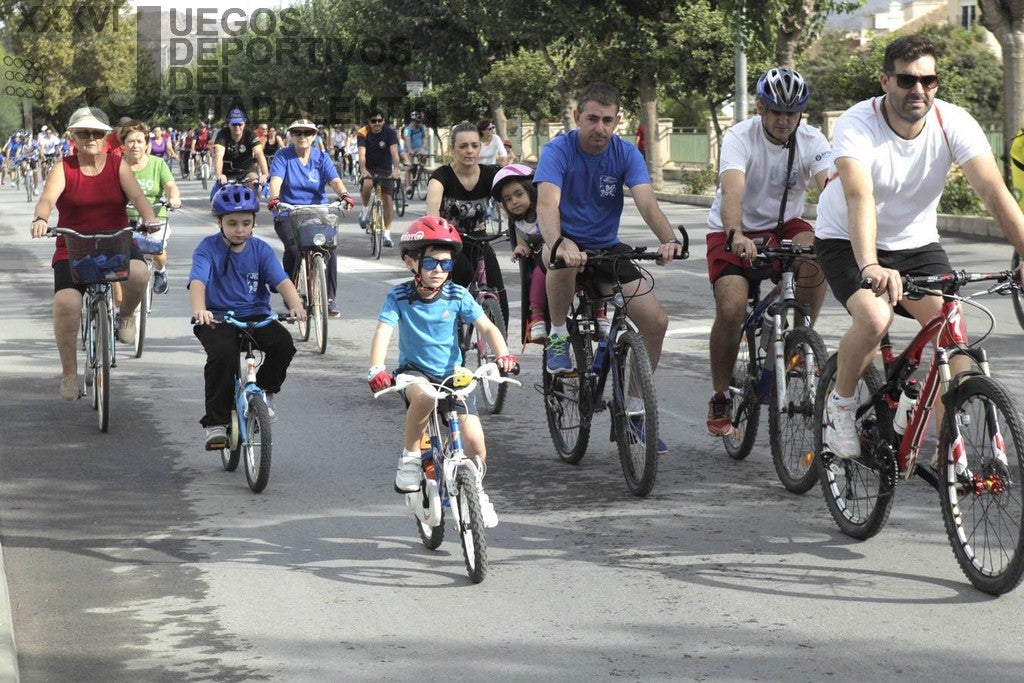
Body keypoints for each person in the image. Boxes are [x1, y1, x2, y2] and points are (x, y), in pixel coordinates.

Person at [814, 34, 1024, 461]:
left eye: (928, 80)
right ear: (885, 80)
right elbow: (859, 196)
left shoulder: (954, 122)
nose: (919, 90)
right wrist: (870, 263)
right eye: (907, 80)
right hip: (847, 238)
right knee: (874, 318)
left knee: (954, 331)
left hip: (916, 242)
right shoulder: (858, 123)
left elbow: (992, 190)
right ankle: (840, 403)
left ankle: (949, 442)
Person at [536, 82, 684, 453]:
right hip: (562, 243)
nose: (599, 128)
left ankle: (633, 412)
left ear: (617, 121)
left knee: (655, 320)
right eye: (592, 119)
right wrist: (559, 242)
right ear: (576, 118)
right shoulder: (558, 150)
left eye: (607, 120)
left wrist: (669, 239)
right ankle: (557, 335)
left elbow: (647, 203)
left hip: (604, 250)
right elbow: (546, 206)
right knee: (562, 262)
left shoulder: (625, 153)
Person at [704, 67, 831, 436]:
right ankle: (720, 393)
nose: (783, 120)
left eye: (791, 113)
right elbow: (732, 191)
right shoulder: (739, 137)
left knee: (817, 252)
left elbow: (830, 186)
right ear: (760, 107)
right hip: (734, 228)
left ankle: (799, 336)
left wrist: (847, 229)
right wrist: (736, 233)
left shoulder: (812, 139)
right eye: (776, 111)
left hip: (784, 226)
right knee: (731, 306)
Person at [367, 216, 518, 527]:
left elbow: (487, 327)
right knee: (422, 398)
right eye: (431, 263)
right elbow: (383, 330)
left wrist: (503, 355)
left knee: (476, 443)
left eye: (447, 265)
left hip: (452, 375)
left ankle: (476, 490)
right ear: (411, 262)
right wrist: (377, 368)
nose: (439, 271)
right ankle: (410, 458)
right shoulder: (399, 296)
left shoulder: (457, 295)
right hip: (415, 373)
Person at [28, 106, 159, 400]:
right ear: (73, 137)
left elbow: (138, 198)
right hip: (74, 247)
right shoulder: (64, 167)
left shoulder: (118, 165)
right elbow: (47, 199)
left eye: (97, 133)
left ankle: (125, 317)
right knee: (67, 301)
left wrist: (149, 220)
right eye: (83, 132)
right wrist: (40, 218)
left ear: (106, 137)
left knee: (139, 273)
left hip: (115, 241)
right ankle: (69, 374)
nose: (91, 137)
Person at [189, 184, 306, 449]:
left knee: (283, 344)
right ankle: (216, 423)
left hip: (256, 316)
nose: (239, 229)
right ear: (219, 222)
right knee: (222, 356)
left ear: (254, 222)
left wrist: (296, 304)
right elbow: (198, 282)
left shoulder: (261, 250)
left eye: (246, 223)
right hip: (217, 319)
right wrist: (200, 310)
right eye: (232, 223)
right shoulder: (207, 248)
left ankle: (265, 391)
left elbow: (282, 281)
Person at [267, 116, 356, 318]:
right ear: (291, 135)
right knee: (293, 248)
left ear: (315, 135)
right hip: (289, 211)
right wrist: (274, 198)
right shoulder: (283, 156)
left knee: (330, 248)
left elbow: (334, 180)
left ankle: (330, 298)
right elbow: (276, 179)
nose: (302, 136)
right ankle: (288, 288)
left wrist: (344, 195)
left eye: (307, 132)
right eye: (297, 132)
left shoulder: (321, 157)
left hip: (317, 212)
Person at [425, 121, 508, 326]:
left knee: (498, 291)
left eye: (474, 145)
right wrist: (438, 246)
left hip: (479, 241)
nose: (469, 151)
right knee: (464, 273)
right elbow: (432, 216)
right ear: (453, 149)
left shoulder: (490, 174)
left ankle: (501, 352)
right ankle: (457, 335)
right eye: (463, 146)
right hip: (449, 243)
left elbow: (512, 204)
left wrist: (521, 236)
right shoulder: (441, 177)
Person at [121, 120, 182, 295]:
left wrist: (173, 197)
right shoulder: (117, 165)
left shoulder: (157, 164)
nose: (135, 146)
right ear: (124, 145)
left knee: (156, 248)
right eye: (130, 141)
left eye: (139, 141)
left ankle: (160, 271)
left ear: (146, 144)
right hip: (126, 219)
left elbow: (170, 185)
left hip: (155, 217)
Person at [492, 163, 547, 343]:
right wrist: (519, 249)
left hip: (557, 256)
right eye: (507, 199)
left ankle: (599, 313)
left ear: (531, 191)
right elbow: (523, 244)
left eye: (519, 194)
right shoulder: (519, 223)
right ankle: (537, 317)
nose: (514, 201)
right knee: (538, 274)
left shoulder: (544, 212)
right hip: (541, 262)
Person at [356, 109, 402, 247]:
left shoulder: (390, 133)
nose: (377, 124)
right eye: (373, 121)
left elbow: (394, 153)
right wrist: (363, 170)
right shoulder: (363, 132)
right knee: (368, 184)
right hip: (368, 167)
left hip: (385, 169)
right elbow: (362, 154)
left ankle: (387, 233)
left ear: (384, 121)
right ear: (369, 122)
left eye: (379, 120)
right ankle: (364, 211)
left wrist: (396, 170)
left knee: (387, 200)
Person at [212, 108, 268, 198]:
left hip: (247, 171)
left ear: (244, 123)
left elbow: (259, 154)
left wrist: (265, 174)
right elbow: (219, 155)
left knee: (256, 186)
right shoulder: (222, 134)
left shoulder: (250, 134)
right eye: (234, 124)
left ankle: (253, 210)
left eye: (240, 124)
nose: (237, 127)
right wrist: (219, 174)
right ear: (229, 124)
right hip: (227, 173)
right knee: (216, 200)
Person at [402, 111, 427, 189]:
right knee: (409, 167)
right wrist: (410, 150)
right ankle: (407, 186)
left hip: (418, 148)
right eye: (416, 121)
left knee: (425, 155)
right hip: (408, 149)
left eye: (419, 121)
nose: (418, 123)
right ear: (412, 121)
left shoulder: (421, 127)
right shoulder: (407, 129)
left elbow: (424, 137)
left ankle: (419, 173)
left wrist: (424, 146)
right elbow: (407, 139)